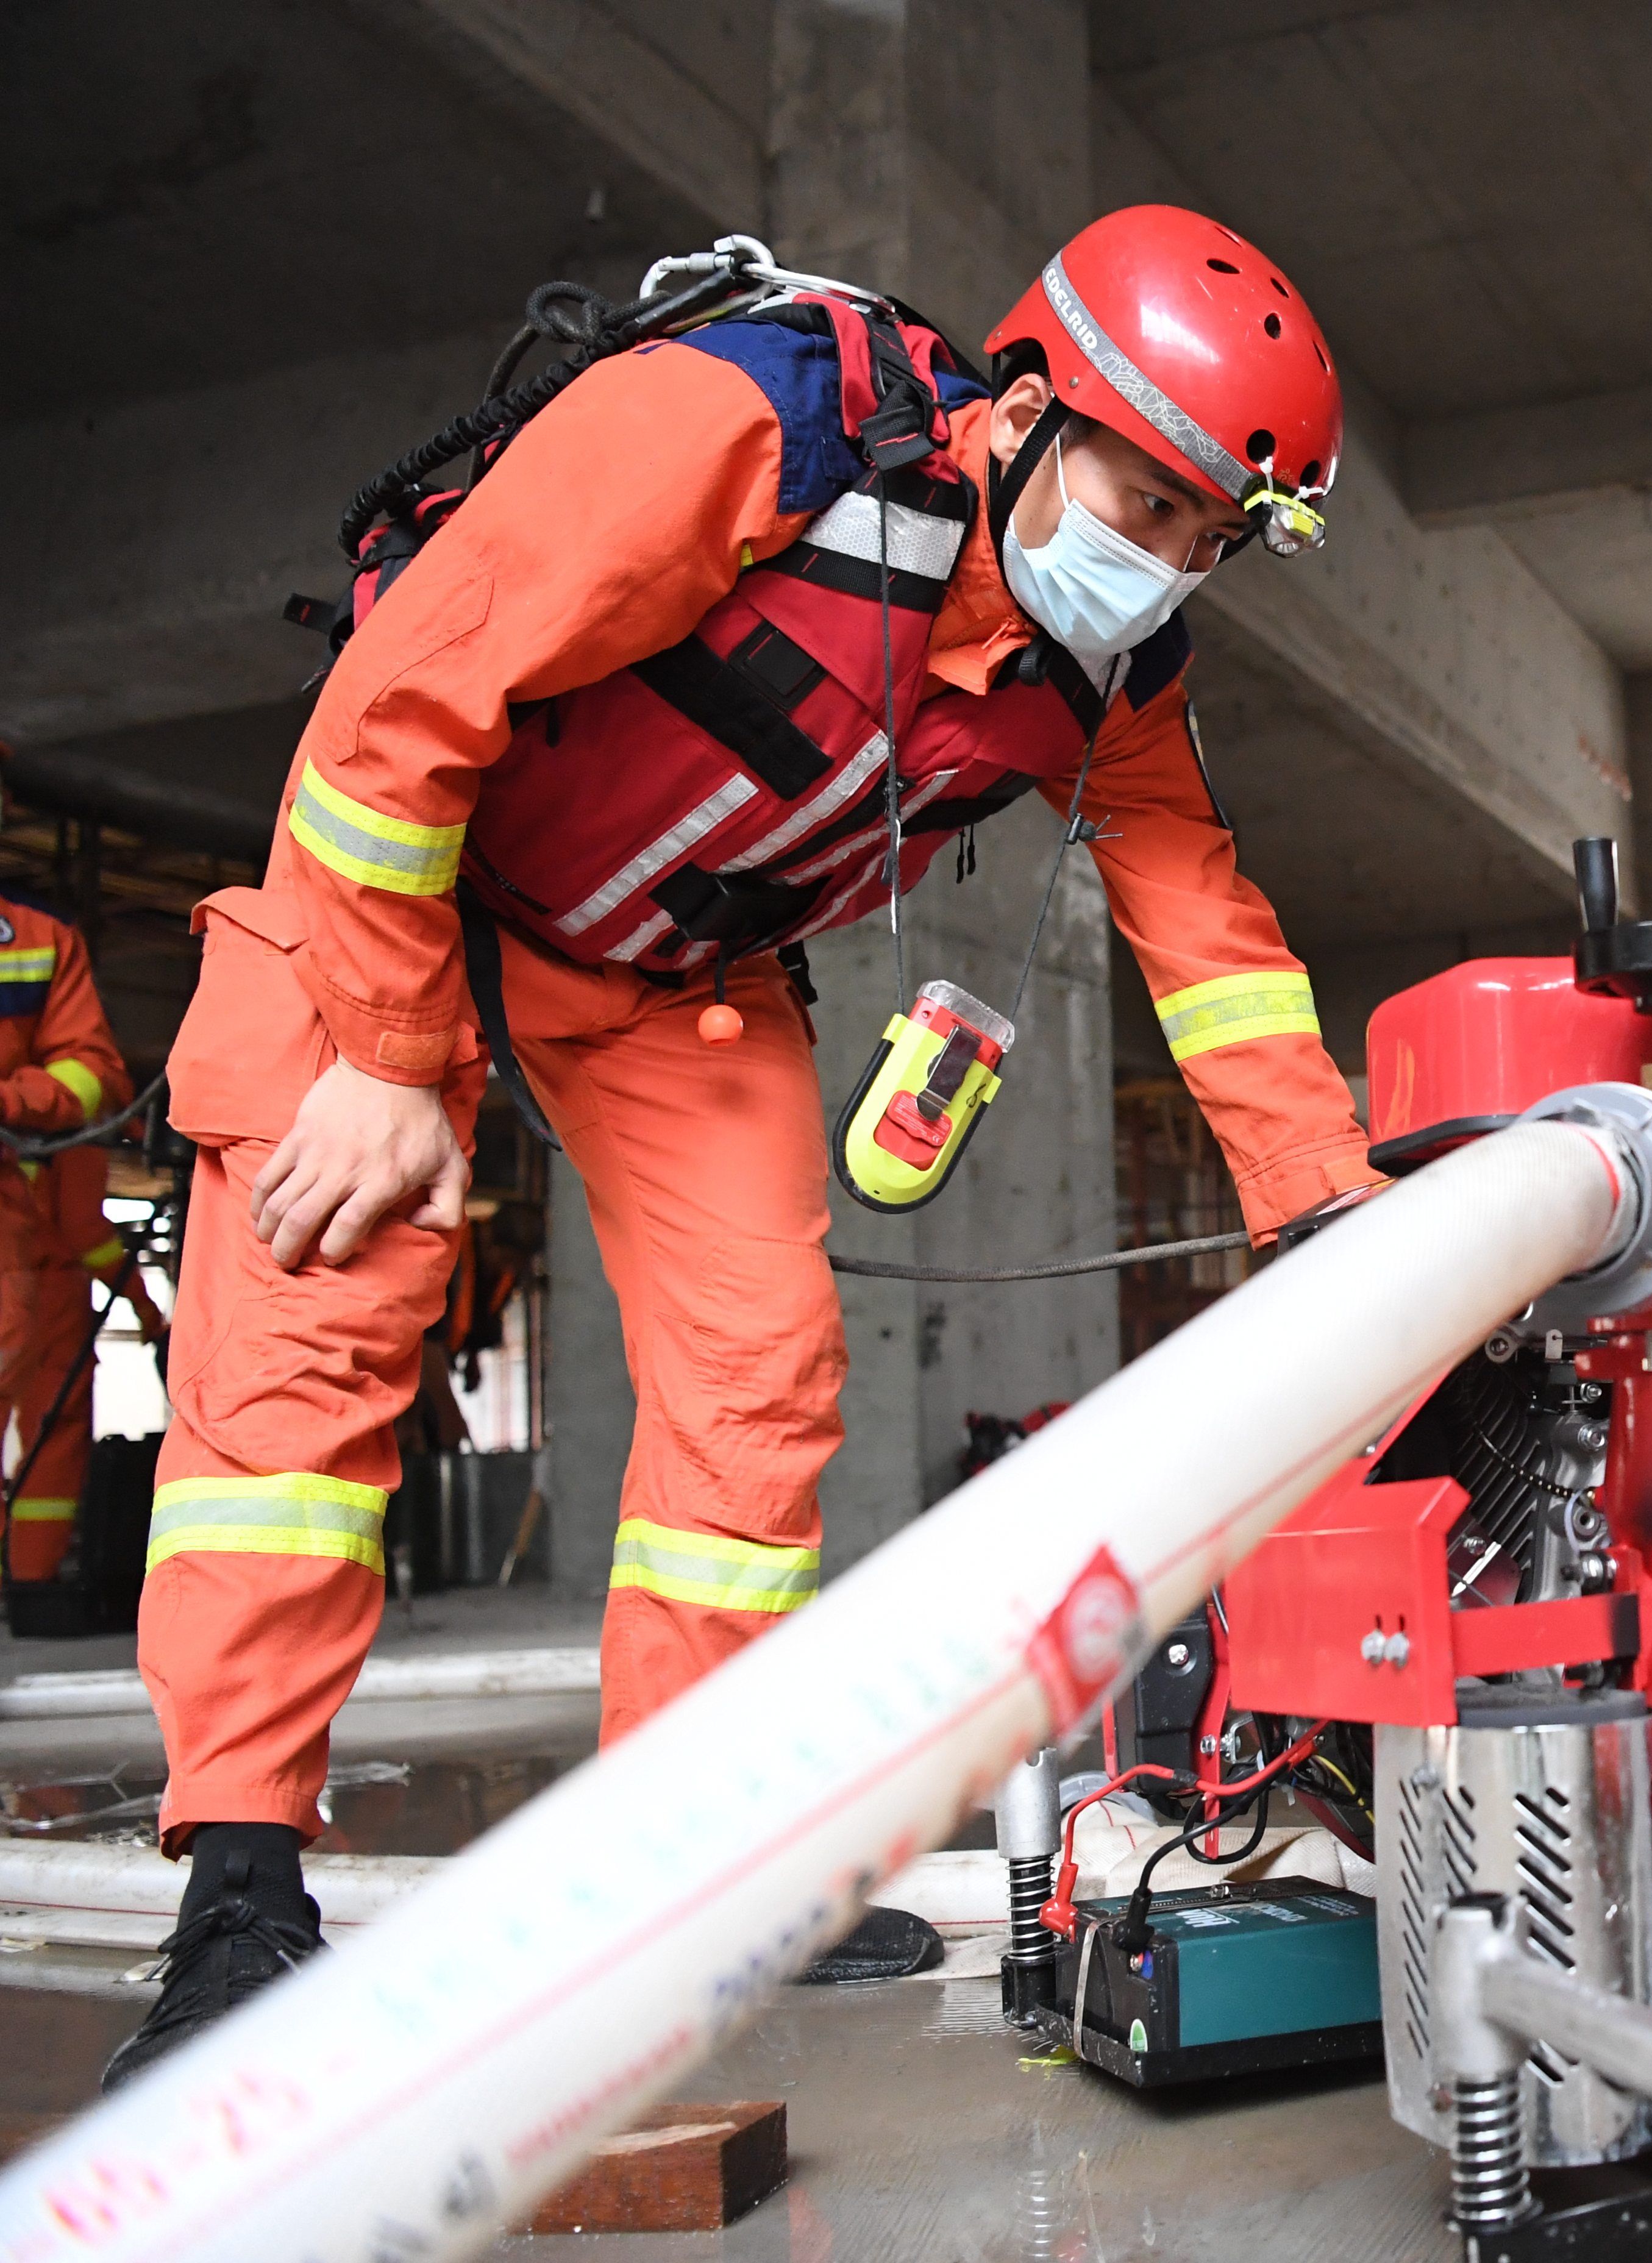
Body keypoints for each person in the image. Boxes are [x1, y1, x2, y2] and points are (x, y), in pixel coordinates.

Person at [110, 207, 1378, 2084]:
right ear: (1022, 407)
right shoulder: (755, 424)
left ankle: (680, 1867)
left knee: (758, 1373)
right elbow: (400, 709)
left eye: (1213, 539)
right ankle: (237, 1889)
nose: (1168, 562)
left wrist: (1326, 1206)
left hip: (654, 973)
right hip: (391, 880)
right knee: (305, 1351)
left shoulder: (1104, 676)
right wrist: (380, 1051)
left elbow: (1201, 923)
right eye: (1150, 497)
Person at [0, 882, 144, 1588]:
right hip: (46, 1279)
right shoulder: (75, 1146)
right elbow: (90, 1229)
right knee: (53, 1430)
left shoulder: (37, 939)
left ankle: (27, 1581)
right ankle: (30, 1580)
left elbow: (92, 1075)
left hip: (32, 1266)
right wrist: (150, 1312)